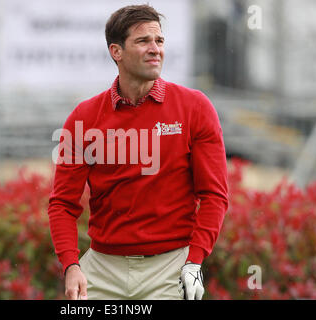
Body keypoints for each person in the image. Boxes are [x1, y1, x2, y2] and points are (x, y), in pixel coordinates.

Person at [48, 4, 228, 300]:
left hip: (171, 269)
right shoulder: (83, 118)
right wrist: (71, 265)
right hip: (101, 271)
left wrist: (194, 261)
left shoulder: (196, 108)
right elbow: (62, 205)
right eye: (143, 41)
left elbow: (214, 196)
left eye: (159, 41)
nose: (155, 49)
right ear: (116, 51)